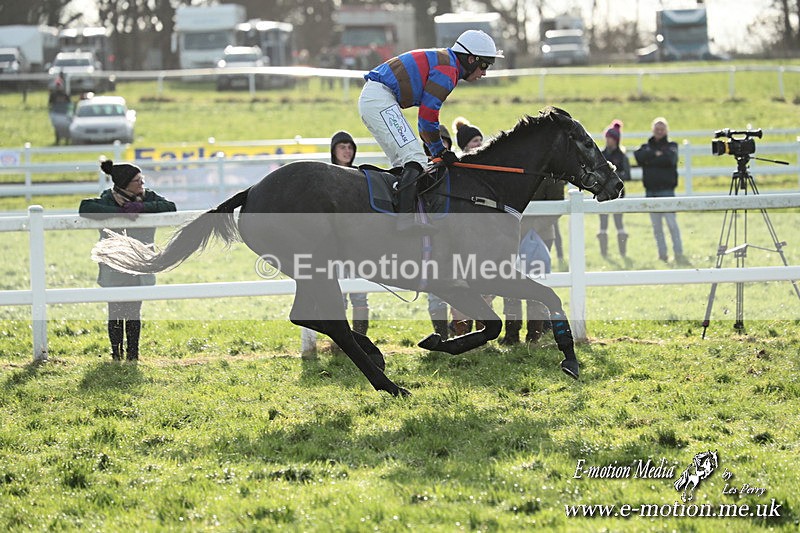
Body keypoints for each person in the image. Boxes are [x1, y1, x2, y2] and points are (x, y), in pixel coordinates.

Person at [359, 29, 503, 232]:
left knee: (404, 163)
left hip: (376, 97)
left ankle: (395, 215)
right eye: (484, 65)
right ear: (471, 59)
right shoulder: (447, 70)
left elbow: (425, 121)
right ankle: (405, 222)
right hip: (379, 98)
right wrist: (440, 151)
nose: (484, 73)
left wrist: (437, 150)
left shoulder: (447, 62)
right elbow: (427, 118)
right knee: (416, 158)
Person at [79, 160, 176, 361]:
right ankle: (116, 353)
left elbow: (170, 207)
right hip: (113, 263)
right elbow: (85, 207)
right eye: (137, 181)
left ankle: (133, 354)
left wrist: (141, 207)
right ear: (124, 184)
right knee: (115, 310)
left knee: (134, 310)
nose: (142, 183)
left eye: (142, 179)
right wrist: (120, 213)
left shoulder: (148, 197)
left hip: (140, 262)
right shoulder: (108, 199)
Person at [331, 130, 370, 336]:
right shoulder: (327, 177)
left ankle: (361, 338)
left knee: (360, 295)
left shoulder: (359, 177)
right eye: (342, 147)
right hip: (333, 246)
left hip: (357, 245)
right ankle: (342, 340)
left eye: (350, 147)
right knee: (337, 296)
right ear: (334, 150)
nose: (347, 151)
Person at [634, 117, 685, 263]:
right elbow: (639, 157)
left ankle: (678, 253)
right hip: (651, 192)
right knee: (657, 227)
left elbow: (669, 159)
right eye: (657, 129)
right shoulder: (646, 146)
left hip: (667, 191)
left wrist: (650, 159)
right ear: (653, 130)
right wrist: (656, 155)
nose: (659, 131)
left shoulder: (672, 146)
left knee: (672, 224)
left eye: (662, 129)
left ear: (666, 130)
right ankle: (662, 254)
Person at [598, 119, 631, 257]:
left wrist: (613, 175)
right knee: (603, 223)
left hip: (618, 193)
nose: (608, 140)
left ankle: (622, 252)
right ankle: (604, 253)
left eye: (610, 138)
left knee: (619, 222)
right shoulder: (600, 155)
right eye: (607, 137)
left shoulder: (622, 156)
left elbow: (627, 175)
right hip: (603, 193)